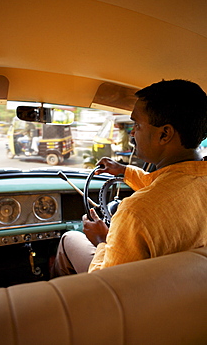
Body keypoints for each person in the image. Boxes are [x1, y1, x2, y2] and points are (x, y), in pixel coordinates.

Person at [51, 79, 207, 277]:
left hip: (141, 302)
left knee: (69, 239)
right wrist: (124, 171)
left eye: (137, 124)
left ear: (164, 134)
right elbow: (168, 185)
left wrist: (102, 241)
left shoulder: (134, 213)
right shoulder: (195, 181)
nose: (132, 132)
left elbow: (109, 287)